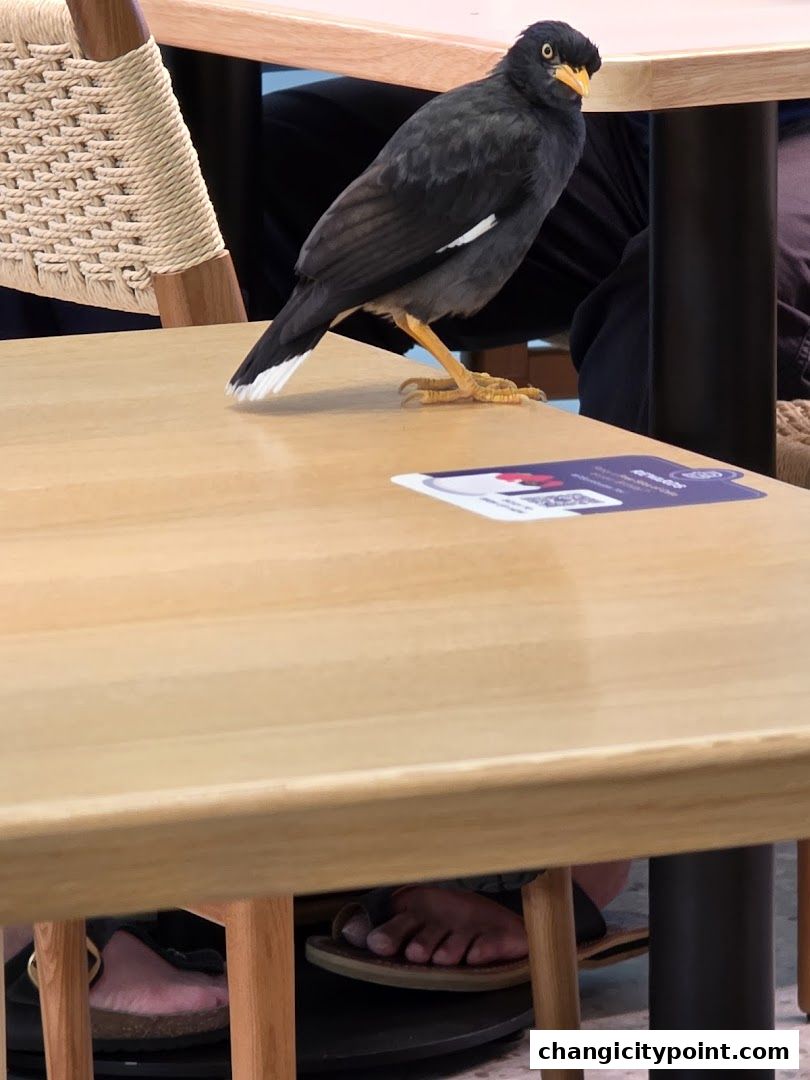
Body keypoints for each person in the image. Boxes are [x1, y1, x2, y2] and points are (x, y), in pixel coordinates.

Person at [3, 78, 808, 993]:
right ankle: (144, 784)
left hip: (780, 108)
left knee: (690, 288)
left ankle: (594, 831)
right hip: (617, 117)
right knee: (166, 200)